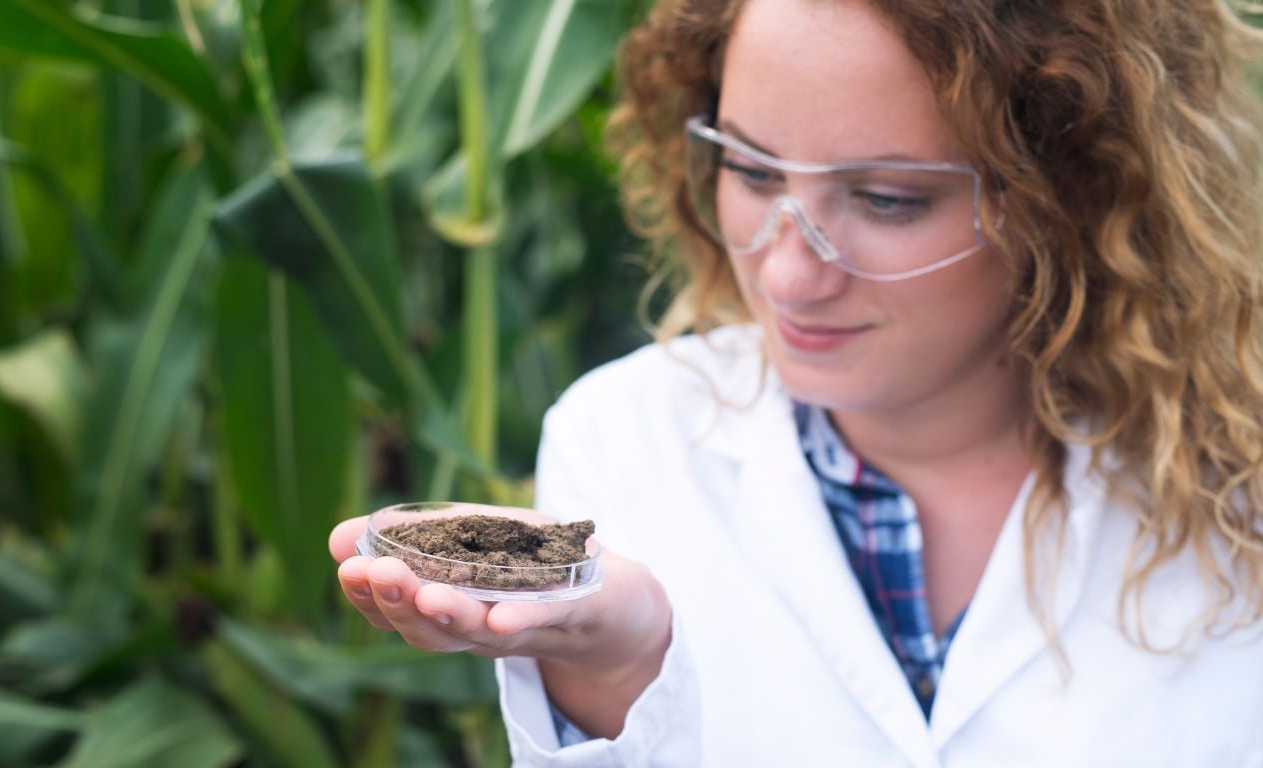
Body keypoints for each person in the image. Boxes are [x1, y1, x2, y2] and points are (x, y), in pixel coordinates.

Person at [330, 0, 1263, 763]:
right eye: (751, 170)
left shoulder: (1237, 492)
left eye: (887, 200)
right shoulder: (624, 438)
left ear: (1064, 186)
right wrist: (618, 675)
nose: (787, 275)